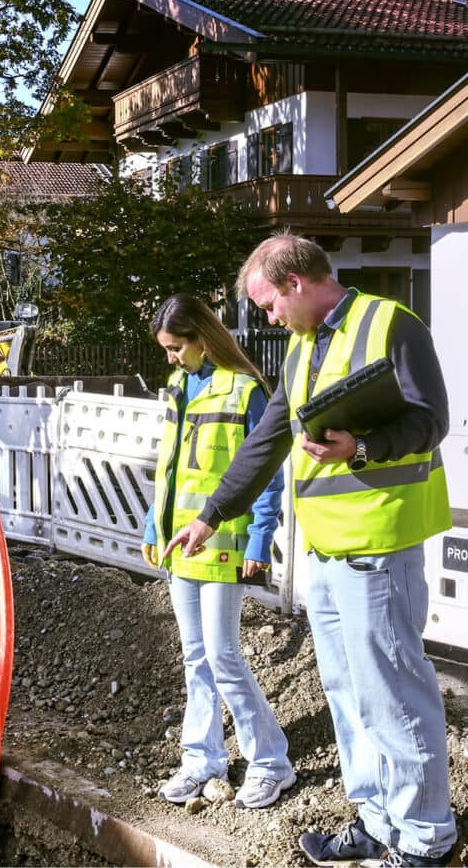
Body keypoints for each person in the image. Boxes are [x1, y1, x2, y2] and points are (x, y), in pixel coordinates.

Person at [164, 231, 457, 868]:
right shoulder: (300, 349)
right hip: (326, 554)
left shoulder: (391, 324)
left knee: (393, 695)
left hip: (379, 544)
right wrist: (212, 515)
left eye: (269, 304)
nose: (268, 318)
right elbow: (265, 442)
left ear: (295, 283)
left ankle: (426, 838)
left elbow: (432, 419)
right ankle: (378, 821)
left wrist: (365, 447)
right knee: (348, 692)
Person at [144, 294, 295, 810]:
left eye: (176, 348)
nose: (171, 358)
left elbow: (267, 474)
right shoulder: (175, 386)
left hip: (224, 547)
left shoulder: (246, 390)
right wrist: (152, 526)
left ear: (202, 339)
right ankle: (201, 760)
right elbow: (167, 469)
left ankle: (271, 761)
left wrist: (258, 539)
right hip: (180, 548)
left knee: (224, 657)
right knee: (195, 659)